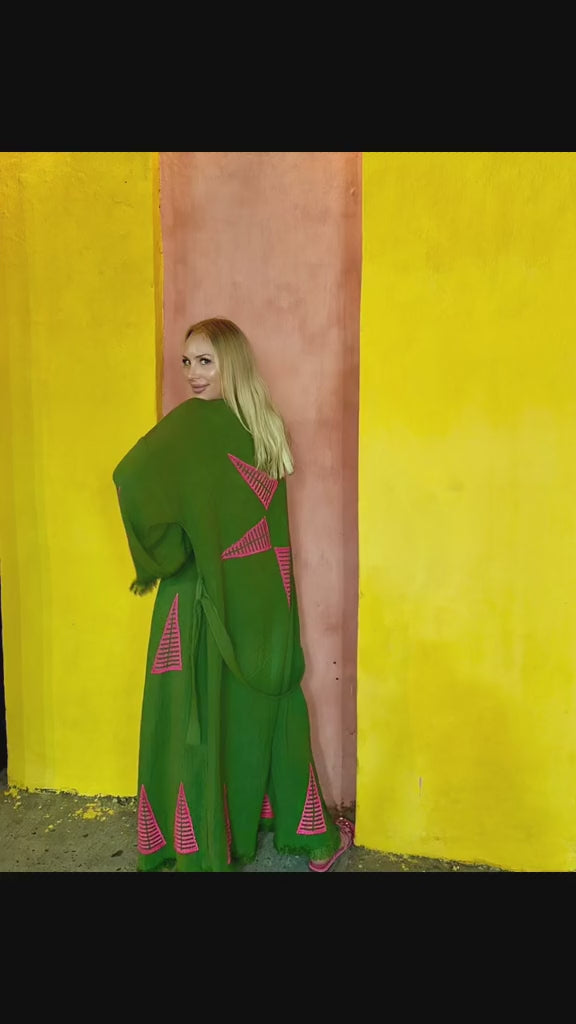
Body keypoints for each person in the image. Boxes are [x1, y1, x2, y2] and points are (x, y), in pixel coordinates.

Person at [113, 317, 354, 872]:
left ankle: (208, 841)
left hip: (197, 601)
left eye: (205, 361)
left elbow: (131, 480)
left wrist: (171, 555)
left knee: (201, 716)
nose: (192, 374)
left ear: (233, 362)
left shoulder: (192, 427)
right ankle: (294, 830)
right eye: (187, 362)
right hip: (258, 602)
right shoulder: (265, 426)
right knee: (262, 702)